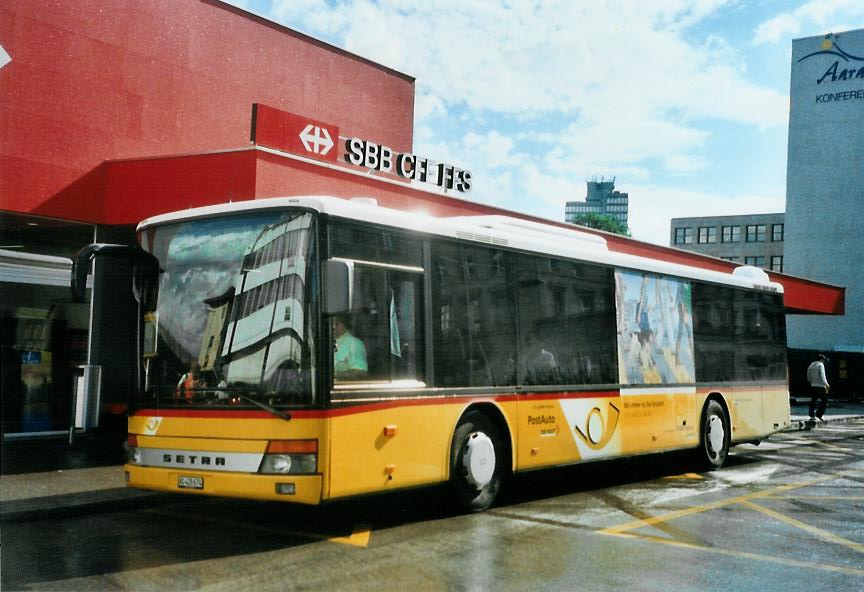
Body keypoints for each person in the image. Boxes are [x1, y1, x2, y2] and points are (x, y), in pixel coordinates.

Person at [333, 316, 368, 381]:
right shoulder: (325, 343)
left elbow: (360, 373)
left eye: (333, 325)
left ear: (341, 325)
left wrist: (333, 374)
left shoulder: (354, 344)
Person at [806, 354, 830, 421]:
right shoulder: (820, 365)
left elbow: (808, 375)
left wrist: (811, 381)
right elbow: (823, 375)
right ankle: (819, 414)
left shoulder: (811, 365)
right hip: (821, 386)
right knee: (824, 400)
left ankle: (811, 415)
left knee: (813, 400)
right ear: (821, 359)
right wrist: (826, 384)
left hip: (813, 385)